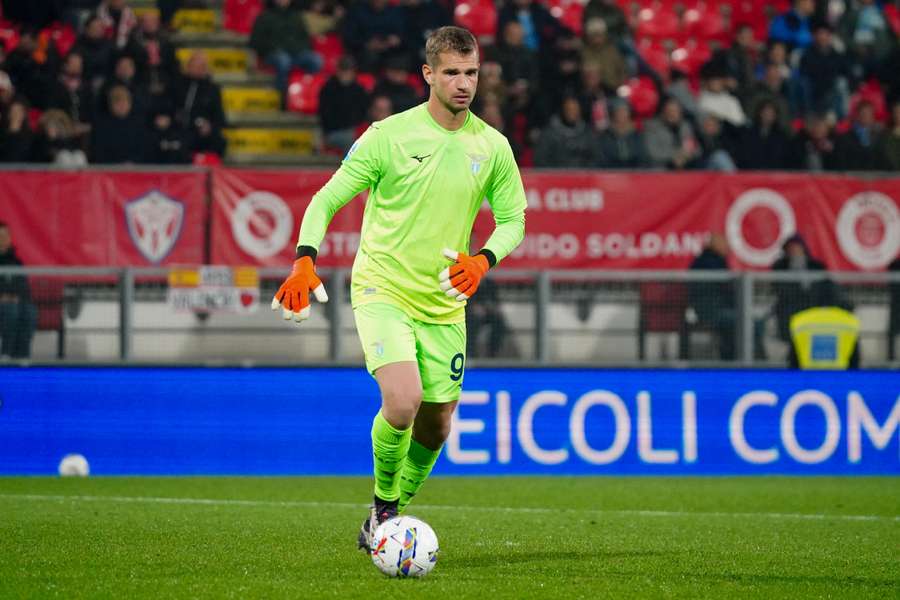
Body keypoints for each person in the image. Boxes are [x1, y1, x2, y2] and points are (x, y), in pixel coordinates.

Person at [270, 26, 525, 551]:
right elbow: (326, 199)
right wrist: (304, 260)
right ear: (428, 74)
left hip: (445, 304)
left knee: (436, 426)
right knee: (404, 401)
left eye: (471, 72)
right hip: (382, 288)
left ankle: (384, 516)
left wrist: (483, 259)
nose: (463, 83)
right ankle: (386, 508)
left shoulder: (492, 146)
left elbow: (514, 219)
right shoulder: (388, 136)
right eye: (451, 72)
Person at [771, 234, 841, 344]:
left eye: (796, 248)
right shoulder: (780, 267)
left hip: (814, 312)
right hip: (790, 313)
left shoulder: (816, 266)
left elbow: (827, 289)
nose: (794, 251)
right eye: (791, 248)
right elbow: (780, 289)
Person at [250, 0, 323, 103]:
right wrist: (273, 49)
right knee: (283, 60)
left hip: (296, 54)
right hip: (272, 55)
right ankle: (283, 97)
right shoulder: (265, 16)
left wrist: (299, 49)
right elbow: (256, 41)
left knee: (316, 60)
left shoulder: (297, 16)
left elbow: (306, 40)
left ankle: (308, 96)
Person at [688, 233, 737, 361]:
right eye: (724, 244)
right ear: (715, 245)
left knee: (744, 323)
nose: (728, 248)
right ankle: (744, 362)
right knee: (740, 322)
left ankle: (737, 359)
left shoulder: (712, 260)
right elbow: (724, 288)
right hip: (710, 311)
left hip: (718, 309)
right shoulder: (709, 261)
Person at [0, 221, 37, 359]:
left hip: (15, 303)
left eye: (5, 236)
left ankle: (22, 357)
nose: (3, 240)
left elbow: (24, 288)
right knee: (11, 310)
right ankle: (6, 354)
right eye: (0, 236)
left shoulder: (17, 262)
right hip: (4, 306)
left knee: (29, 311)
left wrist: (17, 297)